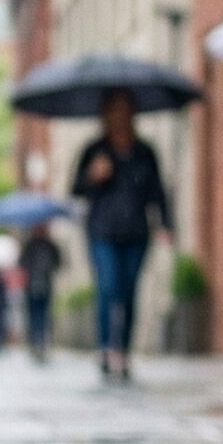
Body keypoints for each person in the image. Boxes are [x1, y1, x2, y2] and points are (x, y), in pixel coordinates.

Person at [71, 88, 173, 382]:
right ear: (105, 114)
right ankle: (106, 348)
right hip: (102, 230)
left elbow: (158, 191)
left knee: (129, 292)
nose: (120, 115)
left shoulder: (144, 151)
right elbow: (76, 190)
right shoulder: (94, 150)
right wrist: (93, 176)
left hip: (137, 232)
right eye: (114, 109)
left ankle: (123, 350)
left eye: (125, 109)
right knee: (108, 286)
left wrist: (166, 224)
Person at [19, 223, 61, 363]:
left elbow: (58, 262)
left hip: (45, 285)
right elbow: (22, 264)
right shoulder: (29, 245)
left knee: (43, 315)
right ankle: (36, 342)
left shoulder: (49, 245)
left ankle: (41, 343)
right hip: (31, 286)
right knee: (35, 316)